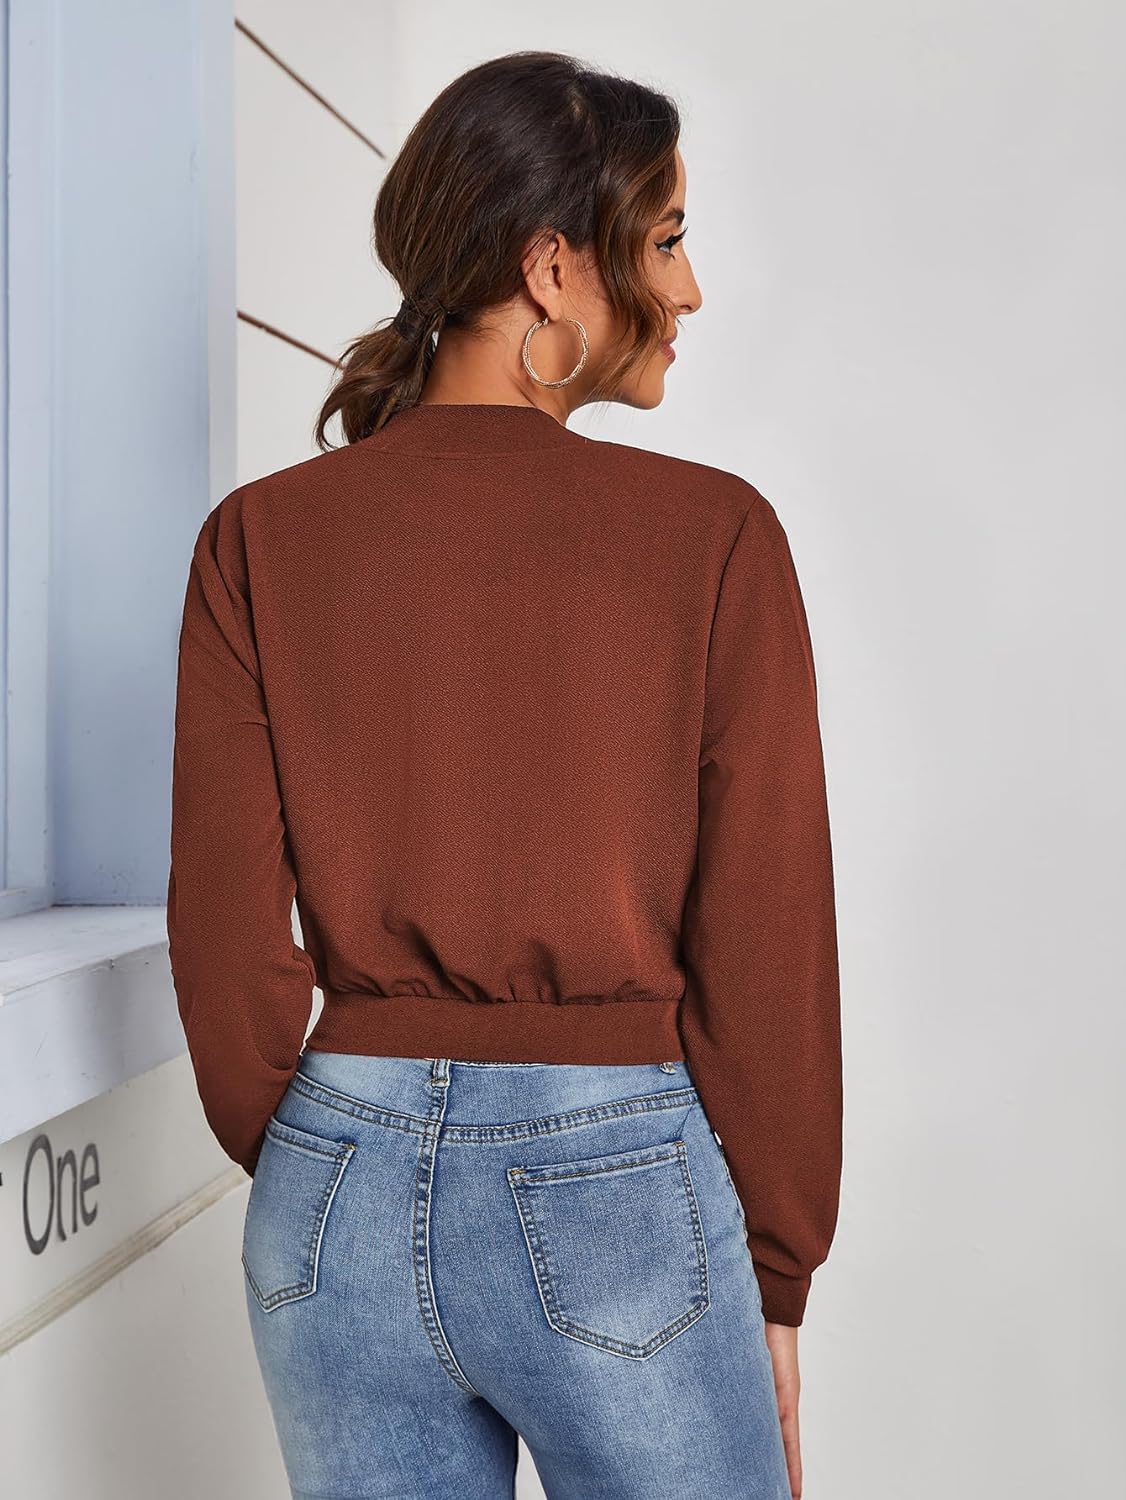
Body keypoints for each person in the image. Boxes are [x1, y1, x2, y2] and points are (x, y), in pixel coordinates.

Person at [167, 48, 842, 1500]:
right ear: (550, 267)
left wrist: (324, 1151)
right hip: (617, 1187)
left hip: (330, 1181)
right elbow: (766, 932)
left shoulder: (258, 538)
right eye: (664, 241)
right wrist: (777, 1267)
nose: (689, 289)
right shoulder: (714, 538)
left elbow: (221, 926)